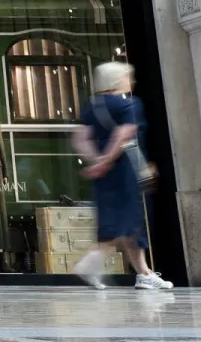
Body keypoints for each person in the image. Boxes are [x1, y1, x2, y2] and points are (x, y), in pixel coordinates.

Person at [73, 62, 172, 290]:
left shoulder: (92, 106)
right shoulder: (129, 104)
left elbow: (80, 138)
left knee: (121, 220)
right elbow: (124, 134)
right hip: (125, 169)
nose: (132, 81)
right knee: (131, 218)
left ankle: (144, 273)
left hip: (104, 173)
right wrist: (107, 159)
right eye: (128, 77)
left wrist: (96, 161)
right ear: (117, 80)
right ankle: (91, 264)